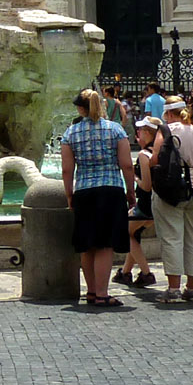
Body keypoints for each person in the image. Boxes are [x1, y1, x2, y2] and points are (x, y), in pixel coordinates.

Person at [60, 88, 135, 307]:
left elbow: (66, 169)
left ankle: (92, 292)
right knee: (105, 245)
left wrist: (69, 194)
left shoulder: (70, 133)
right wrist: (130, 192)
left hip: (84, 191)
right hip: (110, 190)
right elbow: (127, 165)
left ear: (80, 109)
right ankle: (103, 294)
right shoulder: (115, 130)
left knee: (88, 244)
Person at [141, 101, 193, 303]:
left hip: (172, 190)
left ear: (168, 114)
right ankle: (192, 288)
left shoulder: (166, 130)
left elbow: (155, 159)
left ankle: (173, 288)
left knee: (172, 237)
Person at [116, 118, 158, 290]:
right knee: (134, 234)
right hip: (156, 204)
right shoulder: (159, 151)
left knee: (123, 231)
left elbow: (146, 185)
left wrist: (134, 177)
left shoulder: (143, 155)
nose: (137, 134)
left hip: (146, 204)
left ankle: (146, 273)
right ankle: (125, 272)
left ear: (148, 133)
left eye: (140, 131)